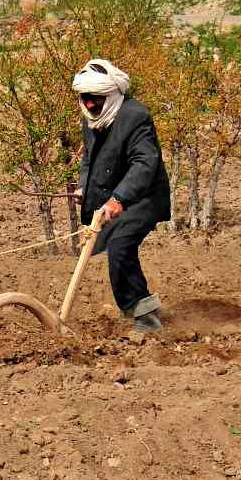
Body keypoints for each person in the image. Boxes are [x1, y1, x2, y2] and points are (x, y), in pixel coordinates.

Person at [72, 58, 172, 331]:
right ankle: (133, 307)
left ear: (110, 93)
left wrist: (119, 199)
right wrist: (84, 186)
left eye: (95, 98)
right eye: (85, 98)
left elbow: (145, 163)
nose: (90, 104)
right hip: (114, 198)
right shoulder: (92, 118)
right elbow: (89, 160)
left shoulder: (135, 115)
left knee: (120, 246)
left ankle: (145, 315)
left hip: (144, 197)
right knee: (117, 248)